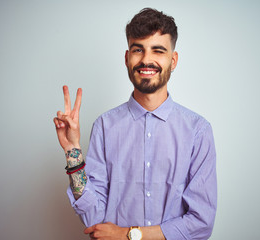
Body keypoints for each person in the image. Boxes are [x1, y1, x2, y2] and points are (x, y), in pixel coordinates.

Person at [53, 8, 217, 240]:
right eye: (138, 50)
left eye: (158, 50)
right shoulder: (104, 126)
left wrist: (128, 235)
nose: (146, 60)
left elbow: (201, 222)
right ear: (127, 58)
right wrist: (73, 153)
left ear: (173, 60)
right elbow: (93, 221)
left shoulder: (198, 131)